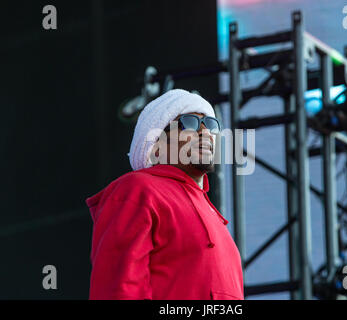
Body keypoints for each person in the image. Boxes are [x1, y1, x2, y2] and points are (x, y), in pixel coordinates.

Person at [86, 89, 244, 300]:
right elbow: (118, 288)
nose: (205, 131)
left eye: (211, 124)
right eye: (189, 122)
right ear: (156, 148)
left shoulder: (213, 216)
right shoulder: (137, 188)